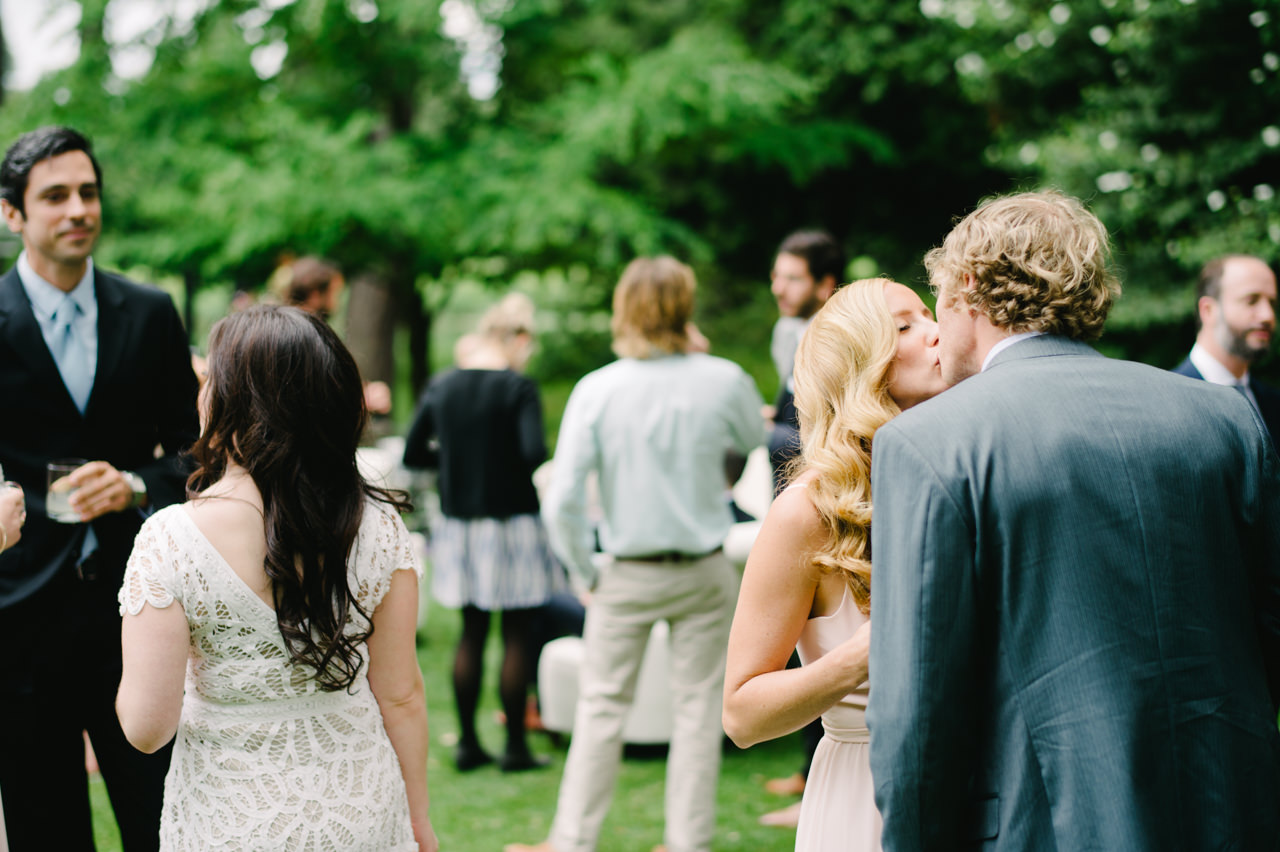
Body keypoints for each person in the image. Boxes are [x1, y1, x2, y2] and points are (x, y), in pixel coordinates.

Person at [868, 190, 1280, 850]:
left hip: (1044, 827)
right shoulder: (1226, 420)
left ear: (969, 286)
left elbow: (917, 716)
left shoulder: (929, 441)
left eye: (938, 297)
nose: (939, 327)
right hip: (1228, 812)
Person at [115, 305, 438, 852]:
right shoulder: (379, 526)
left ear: (235, 404)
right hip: (360, 809)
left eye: (210, 381)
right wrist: (418, 819)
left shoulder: (171, 539)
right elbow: (401, 694)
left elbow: (147, 729)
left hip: (234, 819)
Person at [506, 256, 765, 852]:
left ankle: (572, 842)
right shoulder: (722, 378)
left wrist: (582, 569)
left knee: (600, 712)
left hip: (625, 570)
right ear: (685, 308)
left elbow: (563, 496)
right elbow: (753, 438)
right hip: (705, 567)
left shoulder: (598, 389)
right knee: (699, 715)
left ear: (623, 309)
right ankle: (687, 843)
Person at [0, 126, 200, 851]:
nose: (79, 209)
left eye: (88, 193)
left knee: (164, 818)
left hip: (138, 611)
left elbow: (195, 455)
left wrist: (136, 485)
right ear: (12, 214)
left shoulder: (148, 313)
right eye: (55, 196)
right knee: (44, 827)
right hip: (18, 620)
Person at [722, 278, 947, 852]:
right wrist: (857, 658)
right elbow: (743, 715)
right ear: (859, 366)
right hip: (863, 797)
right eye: (905, 326)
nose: (937, 331)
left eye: (931, 315)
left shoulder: (974, 473)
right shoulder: (806, 513)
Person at [404, 292, 563, 772]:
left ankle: (469, 743)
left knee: (472, 632)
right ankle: (514, 746)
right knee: (516, 634)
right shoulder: (518, 387)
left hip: (459, 524)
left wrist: (453, 459)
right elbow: (533, 450)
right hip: (513, 521)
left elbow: (414, 454)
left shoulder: (443, 385)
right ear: (517, 338)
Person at [758, 229, 845, 821]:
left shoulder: (837, 339)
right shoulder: (785, 333)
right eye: (777, 275)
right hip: (788, 503)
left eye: (792, 278)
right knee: (795, 644)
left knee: (822, 645)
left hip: (825, 504)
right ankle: (805, 766)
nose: (779, 288)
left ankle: (819, 767)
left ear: (824, 284)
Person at [1172, 253, 1279, 444]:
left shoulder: (1273, 403)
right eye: (1251, 300)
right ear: (1208, 310)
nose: (1268, 316)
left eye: (1272, 303)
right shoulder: (1169, 400)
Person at [274, 254, 393, 416]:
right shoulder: (305, 337)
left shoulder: (281, 330)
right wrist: (365, 399)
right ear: (315, 294)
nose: (337, 303)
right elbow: (312, 399)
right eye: (334, 293)